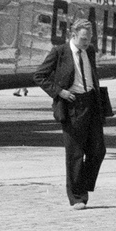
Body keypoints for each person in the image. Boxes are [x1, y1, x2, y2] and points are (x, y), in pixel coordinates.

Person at [34, 21, 107, 210]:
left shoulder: (88, 51)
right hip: (72, 105)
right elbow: (39, 76)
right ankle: (77, 197)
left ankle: (82, 185)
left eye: (89, 39)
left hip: (91, 102)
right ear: (73, 34)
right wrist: (60, 92)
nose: (86, 42)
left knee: (98, 150)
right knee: (75, 154)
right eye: (83, 38)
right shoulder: (59, 52)